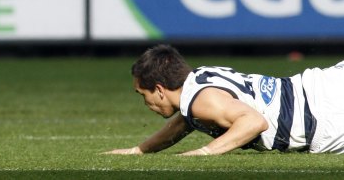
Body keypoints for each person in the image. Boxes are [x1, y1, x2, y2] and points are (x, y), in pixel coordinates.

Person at [106, 44, 344, 156]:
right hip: (321, 88)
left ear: (159, 89)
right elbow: (182, 124)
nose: (145, 104)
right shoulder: (197, 82)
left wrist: (206, 152)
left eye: (143, 95)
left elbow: (254, 122)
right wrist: (139, 150)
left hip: (325, 114)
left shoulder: (201, 100)